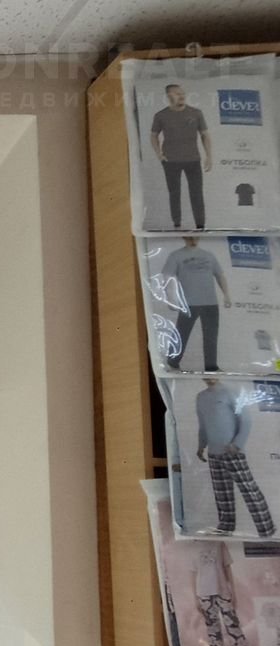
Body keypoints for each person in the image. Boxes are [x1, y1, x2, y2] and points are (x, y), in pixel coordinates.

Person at [195, 377, 274, 537]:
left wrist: (237, 444)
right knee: (222, 494)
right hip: (214, 453)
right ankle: (226, 528)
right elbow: (203, 425)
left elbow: (246, 420)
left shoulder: (231, 392)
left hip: (232, 452)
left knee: (249, 491)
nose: (209, 376)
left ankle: (266, 530)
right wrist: (201, 445)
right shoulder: (201, 397)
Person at [162, 236, 229, 371]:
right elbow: (168, 277)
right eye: (190, 237)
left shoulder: (209, 255)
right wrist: (171, 299)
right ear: (184, 237)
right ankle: (172, 363)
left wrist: (226, 295)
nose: (193, 240)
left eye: (195, 237)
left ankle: (211, 367)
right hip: (189, 304)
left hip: (210, 303)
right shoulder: (176, 256)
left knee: (211, 337)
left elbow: (220, 275)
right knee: (181, 334)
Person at [150, 83, 212, 230]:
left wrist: (209, 156)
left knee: (197, 193)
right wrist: (159, 154)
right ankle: (176, 224)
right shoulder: (161, 115)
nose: (181, 96)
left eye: (182, 93)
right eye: (177, 93)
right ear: (168, 96)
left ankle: (200, 225)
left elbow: (205, 135)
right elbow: (153, 135)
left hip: (193, 159)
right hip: (170, 160)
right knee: (174, 193)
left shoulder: (196, 113)